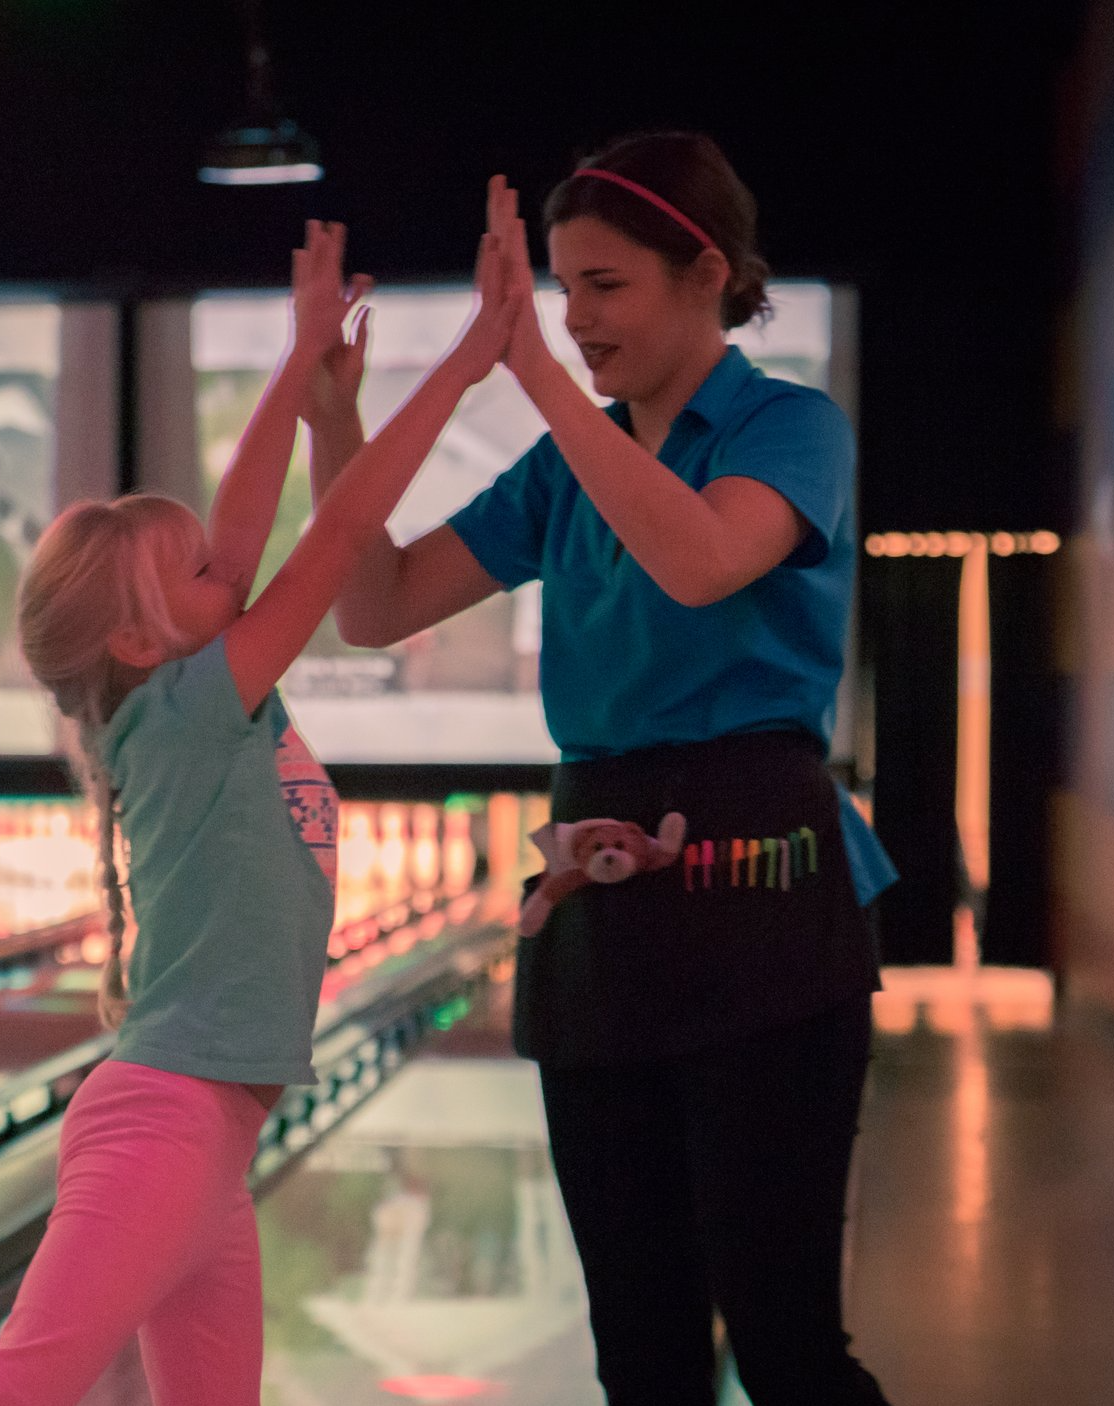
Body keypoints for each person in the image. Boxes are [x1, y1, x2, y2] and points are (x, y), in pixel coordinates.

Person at [0, 218, 519, 1406]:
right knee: (18, 1384)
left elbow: (253, 518)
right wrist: (467, 360)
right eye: (204, 574)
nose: (234, 567)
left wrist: (299, 354)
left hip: (203, 1139)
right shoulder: (190, 708)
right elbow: (333, 530)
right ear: (136, 636)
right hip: (165, 1124)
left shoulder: (186, 699)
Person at [307, 139, 897, 1405]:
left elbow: (698, 559)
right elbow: (375, 601)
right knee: (638, 1346)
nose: (572, 322)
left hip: (764, 887)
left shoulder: (791, 425)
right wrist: (331, 416)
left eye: (602, 287)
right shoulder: (564, 465)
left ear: (705, 272)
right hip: (598, 904)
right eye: (558, 291)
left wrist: (534, 381)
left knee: (787, 1342)